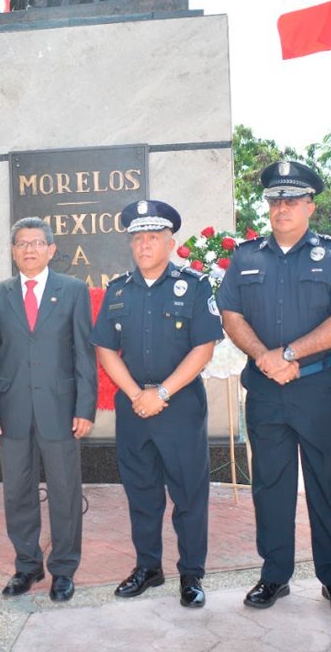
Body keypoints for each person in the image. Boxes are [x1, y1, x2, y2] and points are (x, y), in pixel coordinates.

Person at [216, 160, 331, 615]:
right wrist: (266, 358)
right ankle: (274, 573)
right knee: (271, 483)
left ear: (310, 206)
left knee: (327, 481)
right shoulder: (245, 257)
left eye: (292, 200)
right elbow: (231, 316)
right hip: (266, 391)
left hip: (318, 389)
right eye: (275, 200)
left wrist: (287, 356)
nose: (282, 207)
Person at [91, 199, 222, 608]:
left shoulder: (195, 286)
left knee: (188, 494)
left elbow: (204, 347)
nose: (145, 245)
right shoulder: (117, 290)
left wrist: (161, 393)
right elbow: (106, 350)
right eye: (138, 238)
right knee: (141, 492)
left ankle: (191, 574)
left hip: (179, 407)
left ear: (170, 242)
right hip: (134, 409)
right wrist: (135, 395)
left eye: (154, 237)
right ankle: (148, 567)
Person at [0, 217, 97, 602]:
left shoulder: (74, 291)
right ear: (13, 252)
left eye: (36, 243)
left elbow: (84, 352)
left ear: (50, 249)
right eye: (21, 244)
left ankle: (64, 570)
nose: (28, 249)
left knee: (65, 491)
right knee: (17, 492)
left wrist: (85, 407)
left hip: (61, 410)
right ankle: (27, 566)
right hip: (12, 411)